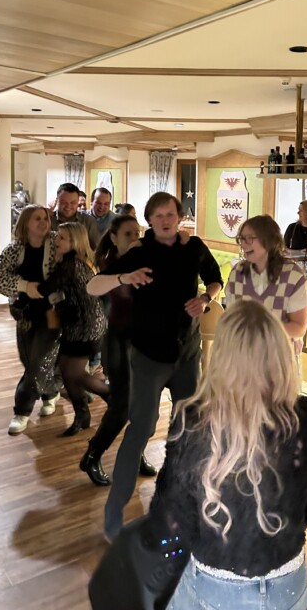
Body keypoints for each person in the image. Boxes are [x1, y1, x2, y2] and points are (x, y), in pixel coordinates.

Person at [150, 300, 307, 610]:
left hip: (213, 586)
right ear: (281, 354)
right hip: (288, 585)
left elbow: (172, 515)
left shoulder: (192, 421)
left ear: (221, 357)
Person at [87, 192, 223, 540]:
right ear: (149, 220)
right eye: (158, 215)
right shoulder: (139, 252)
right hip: (148, 356)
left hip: (187, 354)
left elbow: (215, 279)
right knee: (140, 429)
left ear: (179, 217)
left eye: (170, 214)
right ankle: (113, 513)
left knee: (187, 430)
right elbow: (93, 286)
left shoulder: (193, 247)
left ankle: (180, 505)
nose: (165, 220)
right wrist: (124, 278)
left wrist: (206, 298)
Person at [79, 215, 156, 485]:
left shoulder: (147, 261)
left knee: (148, 408)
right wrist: (124, 277)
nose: (135, 238)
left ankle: (135, 451)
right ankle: (93, 455)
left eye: (138, 233)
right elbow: (94, 288)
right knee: (122, 406)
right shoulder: (111, 266)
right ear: (113, 238)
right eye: (128, 234)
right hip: (120, 342)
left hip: (147, 343)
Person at [0, 205, 60, 435]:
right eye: (37, 218)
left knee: (40, 360)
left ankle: (22, 410)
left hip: (52, 313)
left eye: (46, 218)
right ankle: (50, 391)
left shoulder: (57, 243)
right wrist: (24, 286)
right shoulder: (14, 249)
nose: (43, 222)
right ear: (25, 223)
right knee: (29, 360)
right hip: (25, 314)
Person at [37, 222, 108, 436]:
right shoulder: (80, 260)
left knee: (73, 372)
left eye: (62, 238)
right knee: (67, 369)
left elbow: (45, 289)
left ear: (74, 242)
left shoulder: (71, 264)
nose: (56, 241)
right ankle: (81, 415)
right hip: (80, 323)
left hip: (86, 326)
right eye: (57, 236)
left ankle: (111, 396)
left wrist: (23, 284)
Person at [224, 215, 307, 354]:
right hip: (242, 357)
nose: (243, 245)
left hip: (278, 358)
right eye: (241, 239)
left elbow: (299, 327)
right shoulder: (237, 273)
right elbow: (231, 319)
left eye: (249, 238)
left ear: (269, 240)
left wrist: (258, 333)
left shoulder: (293, 276)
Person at [50, 182, 99, 249]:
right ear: (57, 201)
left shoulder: (88, 221)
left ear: (78, 201)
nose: (68, 206)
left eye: (73, 203)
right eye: (64, 202)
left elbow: (95, 249)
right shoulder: (48, 220)